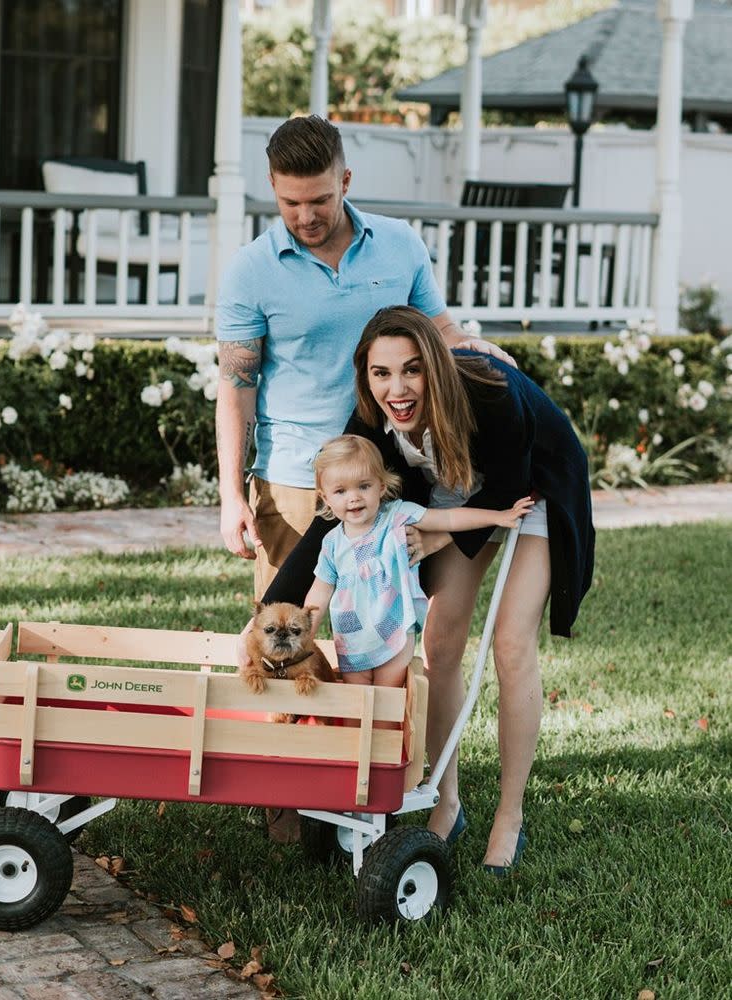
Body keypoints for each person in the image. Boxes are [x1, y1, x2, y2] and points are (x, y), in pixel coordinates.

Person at [263, 306, 595, 873]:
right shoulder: (370, 418)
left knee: (511, 644)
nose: (397, 388)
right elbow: (331, 520)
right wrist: (271, 610)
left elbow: (510, 490)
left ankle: (509, 817)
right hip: (456, 496)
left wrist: (437, 543)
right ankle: (448, 801)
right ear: (365, 376)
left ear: (435, 366)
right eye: (381, 373)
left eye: (412, 370)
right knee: (439, 648)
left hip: (530, 493)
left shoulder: (488, 394)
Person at [215, 114, 515, 602]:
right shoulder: (250, 272)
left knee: (383, 642)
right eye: (290, 202)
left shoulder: (400, 244)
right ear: (271, 185)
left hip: (387, 477)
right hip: (295, 480)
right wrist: (231, 494)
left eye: (320, 200)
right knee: (287, 645)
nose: (305, 216)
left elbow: (438, 329)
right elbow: (236, 386)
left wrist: (472, 345)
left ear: (346, 181)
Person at [306, 435, 534, 705]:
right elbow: (318, 596)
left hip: (395, 633)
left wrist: (497, 516)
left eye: (363, 486)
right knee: (358, 711)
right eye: (341, 491)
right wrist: (304, 638)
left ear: (381, 486)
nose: (354, 497)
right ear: (325, 498)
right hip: (352, 641)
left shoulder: (395, 517)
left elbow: (447, 517)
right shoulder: (332, 544)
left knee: (387, 708)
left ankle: (390, 745)